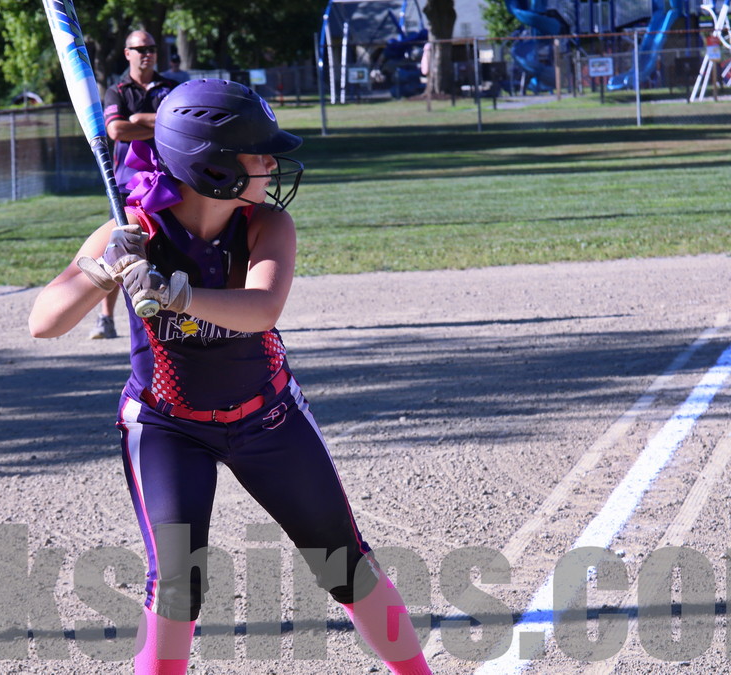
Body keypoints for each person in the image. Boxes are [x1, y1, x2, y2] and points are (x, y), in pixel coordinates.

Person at [29, 79, 431, 675]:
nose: (272, 163)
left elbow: (261, 308)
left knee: (344, 563)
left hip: (268, 415)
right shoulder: (135, 228)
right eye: (259, 153)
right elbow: (43, 323)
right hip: (168, 425)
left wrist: (177, 294)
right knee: (176, 581)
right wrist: (102, 270)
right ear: (213, 168)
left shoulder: (267, 225)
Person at [91, 30, 179, 340]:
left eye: (151, 48)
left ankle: (171, 313)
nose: (147, 53)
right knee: (118, 247)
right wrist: (160, 123)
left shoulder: (171, 88)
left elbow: (183, 125)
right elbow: (116, 130)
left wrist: (139, 119)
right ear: (127, 53)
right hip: (127, 184)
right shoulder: (117, 91)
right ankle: (105, 318)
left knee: (169, 245)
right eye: (140, 48)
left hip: (167, 181)